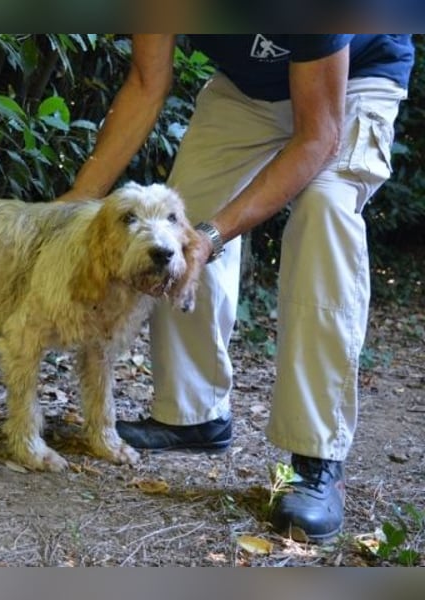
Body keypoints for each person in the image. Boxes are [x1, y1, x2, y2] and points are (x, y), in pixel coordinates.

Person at [59, 34, 414, 542]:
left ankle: (317, 457)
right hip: (247, 93)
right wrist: (78, 198)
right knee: (185, 213)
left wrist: (212, 235)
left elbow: (318, 137)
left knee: (324, 213)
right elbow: (144, 81)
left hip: (355, 81)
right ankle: (191, 414)